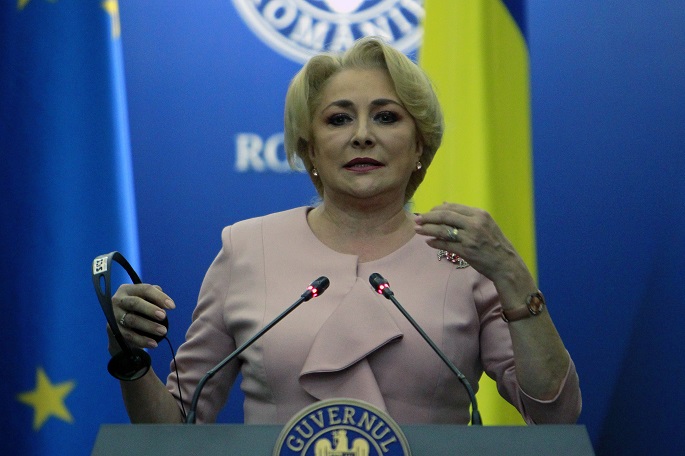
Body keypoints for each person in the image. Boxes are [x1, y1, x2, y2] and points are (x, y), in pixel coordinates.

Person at [108, 37, 581, 425]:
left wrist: (512, 274)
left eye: (386, 116)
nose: (362, 135)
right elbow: (175, 428)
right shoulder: (248, 248)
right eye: (338, 119)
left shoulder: (466, 258)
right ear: (310, 149)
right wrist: (127, 356)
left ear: (420, 144)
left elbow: (553, 414)